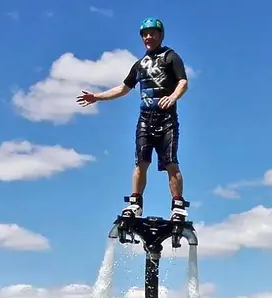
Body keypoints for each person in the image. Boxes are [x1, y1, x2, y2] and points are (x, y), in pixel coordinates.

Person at [76, 17, 190, 222]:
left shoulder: (171, 57)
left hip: (167, 119)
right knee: (141, 163)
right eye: (145, 34)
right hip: (146, 118)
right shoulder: (139, 65)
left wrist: (173, 97)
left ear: (160, 35)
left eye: (152, 33)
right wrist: (97, 97)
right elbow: (123, 88)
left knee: (171, 162)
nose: (148, 37)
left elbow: (183, 82)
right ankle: (135, 203)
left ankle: (178, 206)